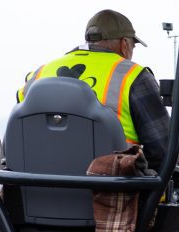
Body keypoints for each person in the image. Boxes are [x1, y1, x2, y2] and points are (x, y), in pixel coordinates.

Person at [16, 9, 169, 171]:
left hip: (38, 187)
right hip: (111, 190)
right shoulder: (134, 76)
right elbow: (162, 149)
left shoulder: (38, 74)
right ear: (124, 44)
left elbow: (16, 138)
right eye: (133, 46)